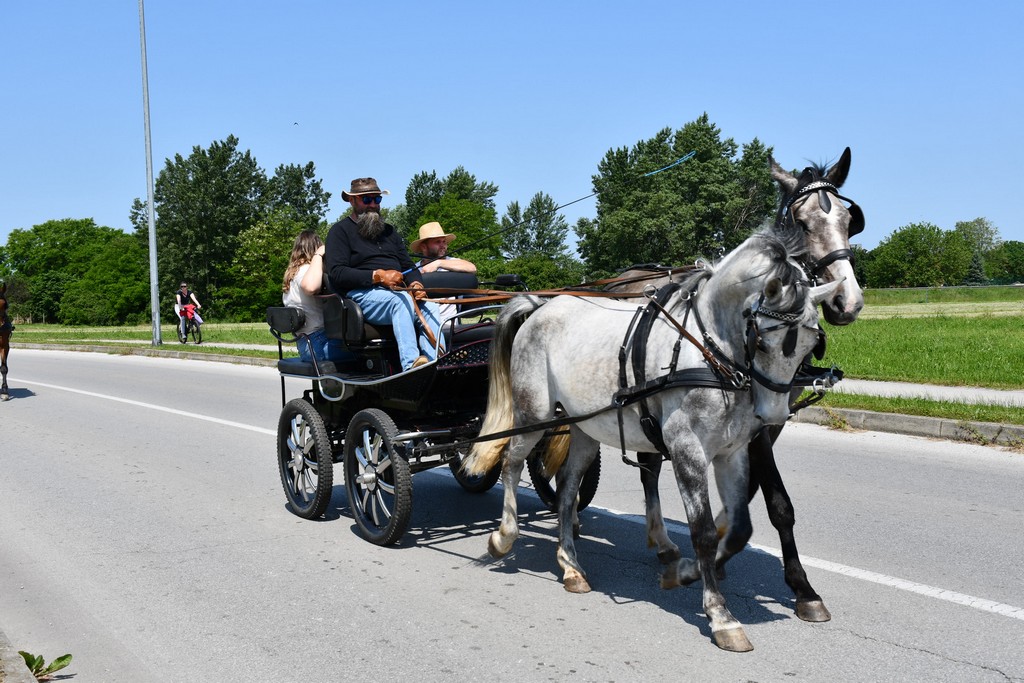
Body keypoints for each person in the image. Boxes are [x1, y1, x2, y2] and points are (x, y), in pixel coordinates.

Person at [324, 177, 443, 371]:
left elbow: (409, 266)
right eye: (367, 199)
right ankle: (411, 367)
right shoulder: (339, 231)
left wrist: (416, 284)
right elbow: (337, 273)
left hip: (398, 291)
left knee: (431, 307)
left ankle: (435, 364)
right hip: (361, 295)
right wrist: (377, 276)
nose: (373, 204)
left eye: (377, 199)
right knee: (400, 301)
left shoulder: (389, 232)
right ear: (352, 201)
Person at [281, 230, 351, 364]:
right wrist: (319, 255)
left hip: (304, 345)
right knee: (366, 351)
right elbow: (311, 287)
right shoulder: (308, 270)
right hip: (319, 344)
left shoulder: (291, 273)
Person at [410, 221, 476, 321]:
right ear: (423, 247)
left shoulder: (452, 263)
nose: (443, 245)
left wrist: (438, 263)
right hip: (423, 324)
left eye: (444, 241)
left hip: (450, 325)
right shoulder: (414, 269)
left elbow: (472, 268)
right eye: (437, 242)